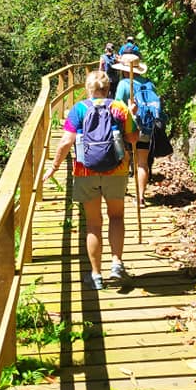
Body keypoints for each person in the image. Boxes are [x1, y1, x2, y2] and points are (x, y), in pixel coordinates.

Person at [43, 70, 138, 290]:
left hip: (85, 172)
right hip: (116, 170)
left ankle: (96, 276)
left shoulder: (78, 109)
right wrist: (132, 115)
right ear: (108, 88)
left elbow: (66, 141)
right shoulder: (119, 107)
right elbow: (133, 138)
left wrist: (55, 166)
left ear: (88, 89)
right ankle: (116, 263)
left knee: (93, 224)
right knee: (116, 216)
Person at [114, 53, 162, 207]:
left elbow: (117, 108)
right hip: (147, 127)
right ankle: (140, 197)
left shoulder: (124, 84)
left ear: (124, 70)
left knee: (125, 159)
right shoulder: (149, 83)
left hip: (129, 128)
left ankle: (121, 190)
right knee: (142, 163)